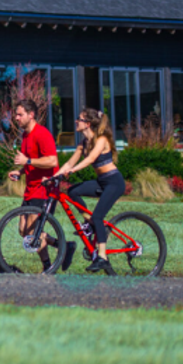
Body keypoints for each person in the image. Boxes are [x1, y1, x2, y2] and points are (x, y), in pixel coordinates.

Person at [7, 99, 76, 272]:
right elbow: (31, 161)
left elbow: (52, 161)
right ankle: (64, 245)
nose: (16, 118)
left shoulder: (42, 134)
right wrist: (21, 172)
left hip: (44, 189)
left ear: (31, 115)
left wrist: (28, 161)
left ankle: (48, 267)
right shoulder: (25, 135)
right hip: (31, 188)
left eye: (20, 114)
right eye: (16, 114)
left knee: (32, 233)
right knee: (23, 231)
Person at [56, 108, 125, 275]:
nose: (76, 121)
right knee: (72, 191)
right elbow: (70, 162)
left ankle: (102, 256)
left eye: (78, 119)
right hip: (101, 182)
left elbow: (91, 159)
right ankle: (91, 223)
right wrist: (53, 177)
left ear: (87, 124)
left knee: (98, 216)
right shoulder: (83, 143)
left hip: (114, 182)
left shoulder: (101, 139)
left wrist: (73, 171)